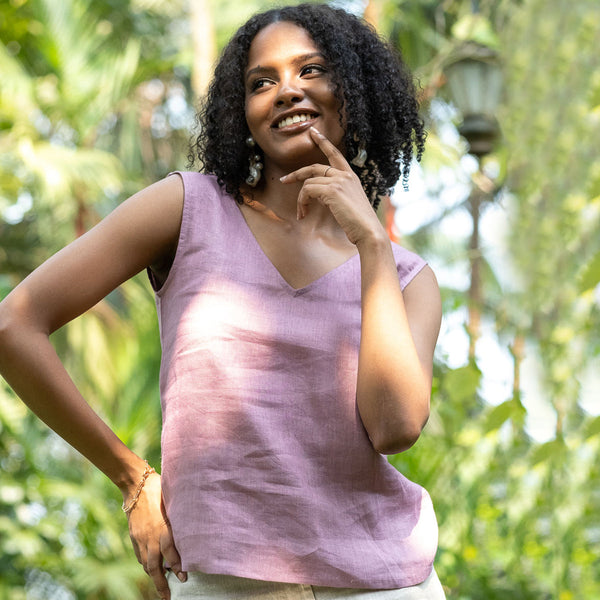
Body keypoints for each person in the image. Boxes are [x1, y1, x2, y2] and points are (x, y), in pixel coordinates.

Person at [0, 3, 444, 599]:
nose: (286, 91)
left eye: (311, 70)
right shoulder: (187, 209)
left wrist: (371, 245)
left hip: (384, 580)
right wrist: (133, 478)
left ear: (354, 90)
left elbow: (394, 428)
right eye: (263, 81)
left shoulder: (406, 278)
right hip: (224, 582)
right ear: (243, 112)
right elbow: (15, 326)